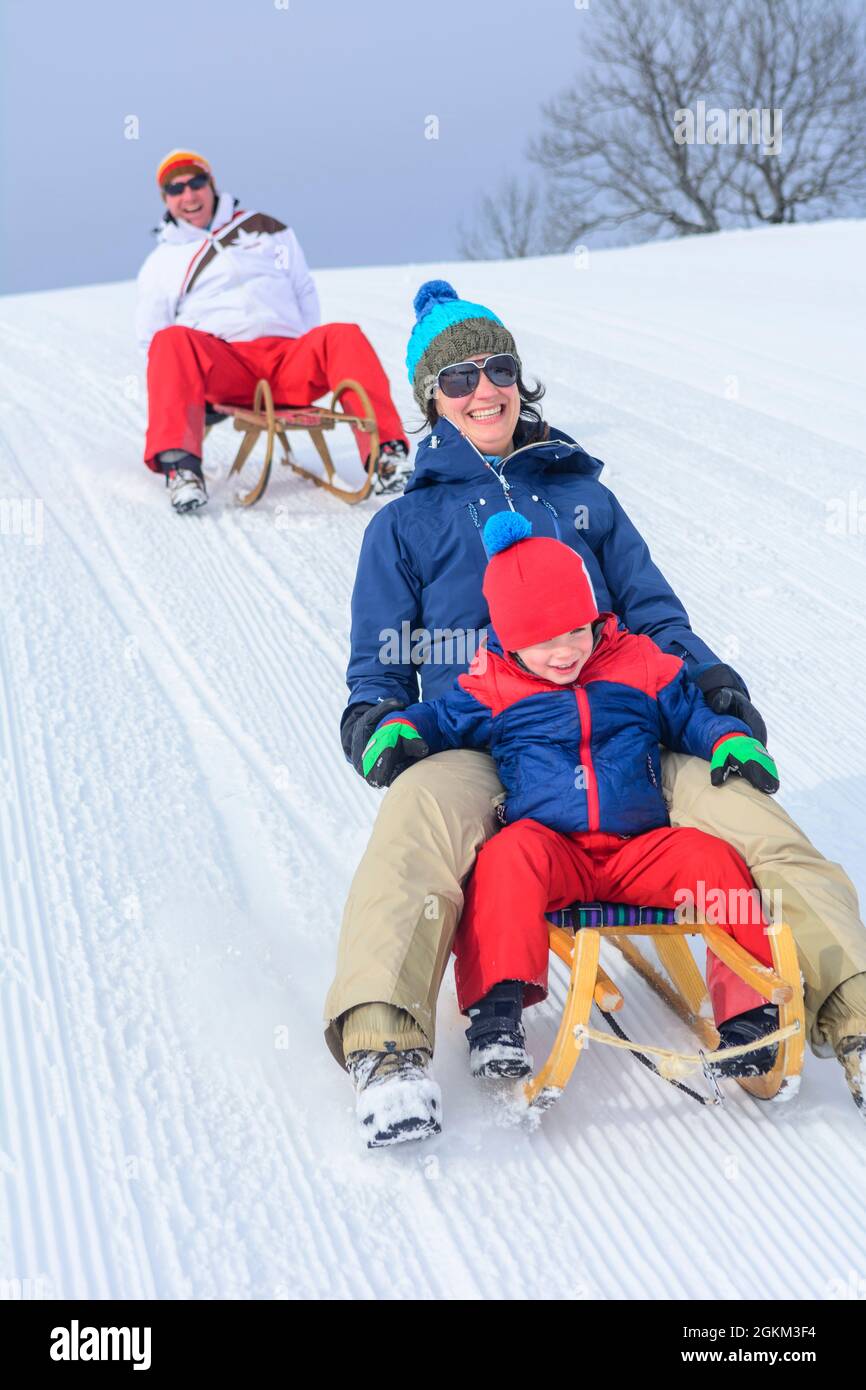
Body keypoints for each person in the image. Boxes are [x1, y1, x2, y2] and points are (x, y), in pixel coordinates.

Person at [326, 279, 866, 1144]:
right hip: (486, 727)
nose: (483, 389)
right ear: (431, 399)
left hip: (622, 720)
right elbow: (380, 658)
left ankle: (853, 1013)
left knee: (748, 816)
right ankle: (386, 1046)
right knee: (415, 820)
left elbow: (652, 613)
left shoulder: (583, 496)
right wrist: (380, 720)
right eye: (458, 379)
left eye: (498, 367)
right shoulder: (406, 524)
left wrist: (711, 686)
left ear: (519, 377)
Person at [360, 511, 781, 1107]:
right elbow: (442, 717)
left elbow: (689, 713)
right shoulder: (495, 682)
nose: (563, 653)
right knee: (504, 860)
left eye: (575, 633)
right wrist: (401, 728)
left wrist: (727, 740)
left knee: (712, 859)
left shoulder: (638, 662)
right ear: (509, 640)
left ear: (594, 618)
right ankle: (496, 1011)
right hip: (554, 851)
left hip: (641, 850)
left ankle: (749, 1018)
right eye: (542, 641)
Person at [135, 149, 410, 512]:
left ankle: (386, 455)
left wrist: (304, 345)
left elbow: (303, 289)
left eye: (196, 182)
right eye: (176, 189)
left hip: (288, 361)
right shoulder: (162, 262)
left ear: (211, 184)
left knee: (343, 335)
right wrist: (194, 392)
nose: (188, 195)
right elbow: (150, 341)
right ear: (166, 199)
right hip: (226, 367)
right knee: (169, 340)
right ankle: (181, 470)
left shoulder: (267, 229)